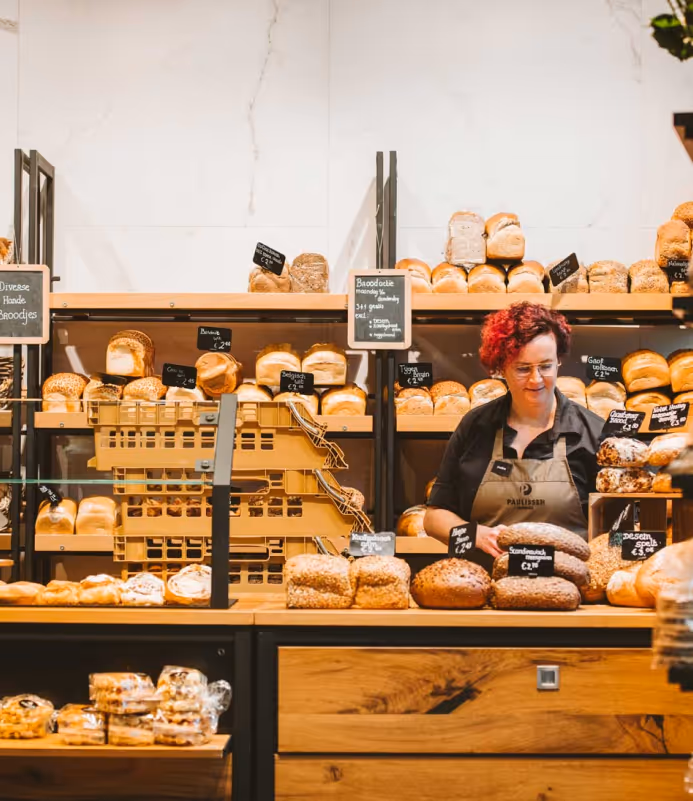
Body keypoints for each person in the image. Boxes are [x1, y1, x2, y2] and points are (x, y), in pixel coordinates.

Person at [424, 301, 603, 567]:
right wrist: (475, 535)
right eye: (522, 369)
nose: (536, 380)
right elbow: (434, 518)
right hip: (483, 590)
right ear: (501, 368)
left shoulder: (592, 432)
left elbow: (619, 526)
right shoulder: (476, 427)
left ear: (559, 362)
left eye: (546, 366)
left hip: (568, 592)